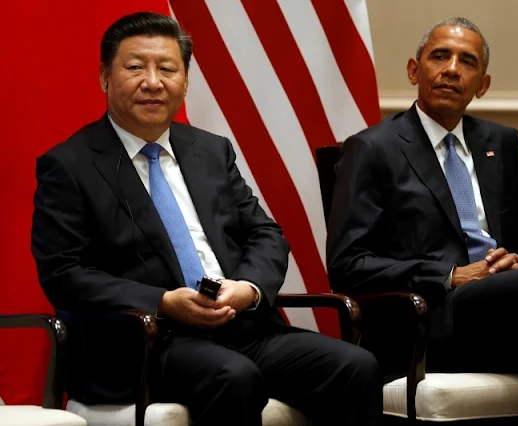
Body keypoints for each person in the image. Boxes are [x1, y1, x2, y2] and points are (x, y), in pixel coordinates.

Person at [31, 11, 381, 426]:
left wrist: (248, 289)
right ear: (105, 77)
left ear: (185, 81)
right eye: (135, 67)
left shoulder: (211, 150)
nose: (153, 81)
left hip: (240, 325)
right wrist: (162, 302)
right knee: (234, 377)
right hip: (146, 340)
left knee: (355, 366)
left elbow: (264, 233)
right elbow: (64, 273)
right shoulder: (70, 165)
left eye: (167, 68)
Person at [327, 16, 518, 425]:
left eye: (467, 61)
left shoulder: (502, 144)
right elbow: (349, 265)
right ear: (413, 70)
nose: (452, 69)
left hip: (508, 316)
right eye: (440, 56)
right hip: (434, 320)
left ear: (483, 85)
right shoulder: (373, 148)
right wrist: (451, 275)